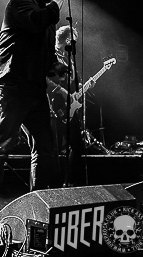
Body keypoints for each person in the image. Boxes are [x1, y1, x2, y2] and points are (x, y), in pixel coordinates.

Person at [0, 0, 70, 218]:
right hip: (10, 84)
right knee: (1, 145)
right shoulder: (21, 2)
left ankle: (36, 203)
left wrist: (56, 67)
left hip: (34, 88)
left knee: (45, 147)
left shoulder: (48, 20)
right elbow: (35, 22)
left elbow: (47, 54)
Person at [47, 25, 87, 186]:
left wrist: (80, 89)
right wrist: (62, 91)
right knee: (54, 149)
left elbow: (72, 84)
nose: (75, 44)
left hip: (70, 108)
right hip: (55, 107)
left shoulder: (68, 58)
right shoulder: (51, 54)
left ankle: (68, 183)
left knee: (77, 146)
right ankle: (53, 186)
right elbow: (45, 79)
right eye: (74, 41)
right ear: (68, 40)